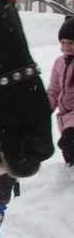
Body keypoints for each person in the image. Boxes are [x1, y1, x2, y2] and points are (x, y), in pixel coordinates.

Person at [47, 16, 74, 166]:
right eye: (63, 42)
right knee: (69, 156)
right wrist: (45, 108)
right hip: (64, 117)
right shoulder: (60, 62)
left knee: (67, 142)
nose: (66, 46)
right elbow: (53, 89)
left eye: (70, 42)